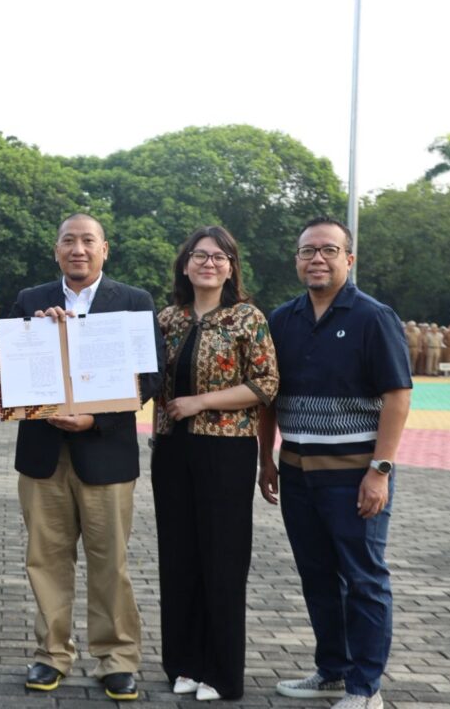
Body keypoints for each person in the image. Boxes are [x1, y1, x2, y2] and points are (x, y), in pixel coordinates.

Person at [6, 213, 162, 701]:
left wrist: (96, 421)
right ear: (56, 250)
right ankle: (51, 654)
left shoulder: (133, 302)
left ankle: (115, 658)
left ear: (104, 249)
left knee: (109, 561)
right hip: (43, 454)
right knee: (46, 560)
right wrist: (34, 335)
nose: (78, 249)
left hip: (106, 453)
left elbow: (149, 379)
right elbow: (2, 365)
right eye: (68, 241)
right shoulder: (30, 301)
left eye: (87, 241)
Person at [259, 216, 411, 709]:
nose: (316, 259)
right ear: (297, 259)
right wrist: (267, 459)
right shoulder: (283, 319)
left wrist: (380, 471)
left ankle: (366, 688)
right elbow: (268, 398)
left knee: (364, 579)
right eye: (307, 251)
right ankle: (332, 671)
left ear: (349, 258)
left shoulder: (373, 317)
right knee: (318, 576)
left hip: (355, 476)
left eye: (328, 250)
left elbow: (397, 396)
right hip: (299, 474)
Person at [151, 226, 279, 701]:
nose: (209, 263)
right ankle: (182, 661)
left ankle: (221, 671)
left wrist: (201, 401)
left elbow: (266, 384)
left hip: (226, 451)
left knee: (222, 560)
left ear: (231, 267)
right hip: (172, 450)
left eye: (219, 256)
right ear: (185, 265)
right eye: (199, 256)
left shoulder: (247, 318)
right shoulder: (167, 319)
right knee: (178, 557)